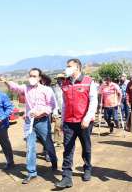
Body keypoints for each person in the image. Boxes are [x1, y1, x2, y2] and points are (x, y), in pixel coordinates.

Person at [0, 68, 58, 184]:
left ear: (40, 78)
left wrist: (40, 112)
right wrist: (5, 81)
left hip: (42, 121)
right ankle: (31, 172)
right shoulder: (26, 88)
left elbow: (51, 105)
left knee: (48, 143)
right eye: (30, 76)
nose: (32, 78)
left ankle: (54, 160)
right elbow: (15, 88)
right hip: (29, 122)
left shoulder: (46, 90)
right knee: (30, 147)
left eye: (34, 76)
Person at [55, 59, 98, 189]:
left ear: (77, 68)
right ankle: (66, 177)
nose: (67, 68)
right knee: (67, 149)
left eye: (69, 66)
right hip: (69, 122)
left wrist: (88, 117)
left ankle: (87, 168)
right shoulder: (66, 83)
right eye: (66, 66)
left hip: (84, 122)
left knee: (86, 147)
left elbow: (93, 101)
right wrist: (62, 121)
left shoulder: (88, 81)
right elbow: (64, 104)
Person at [52, 73, 65, 147]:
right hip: (58, 110)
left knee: (66, 127)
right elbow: (53, 100)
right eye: (59, 79)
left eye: (62, 78)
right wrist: (54, 111)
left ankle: (64, 140)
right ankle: (57, 141)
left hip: (67, 110)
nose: (60, 80)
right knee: (57, 126)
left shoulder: (68, 86)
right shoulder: (54, 88)